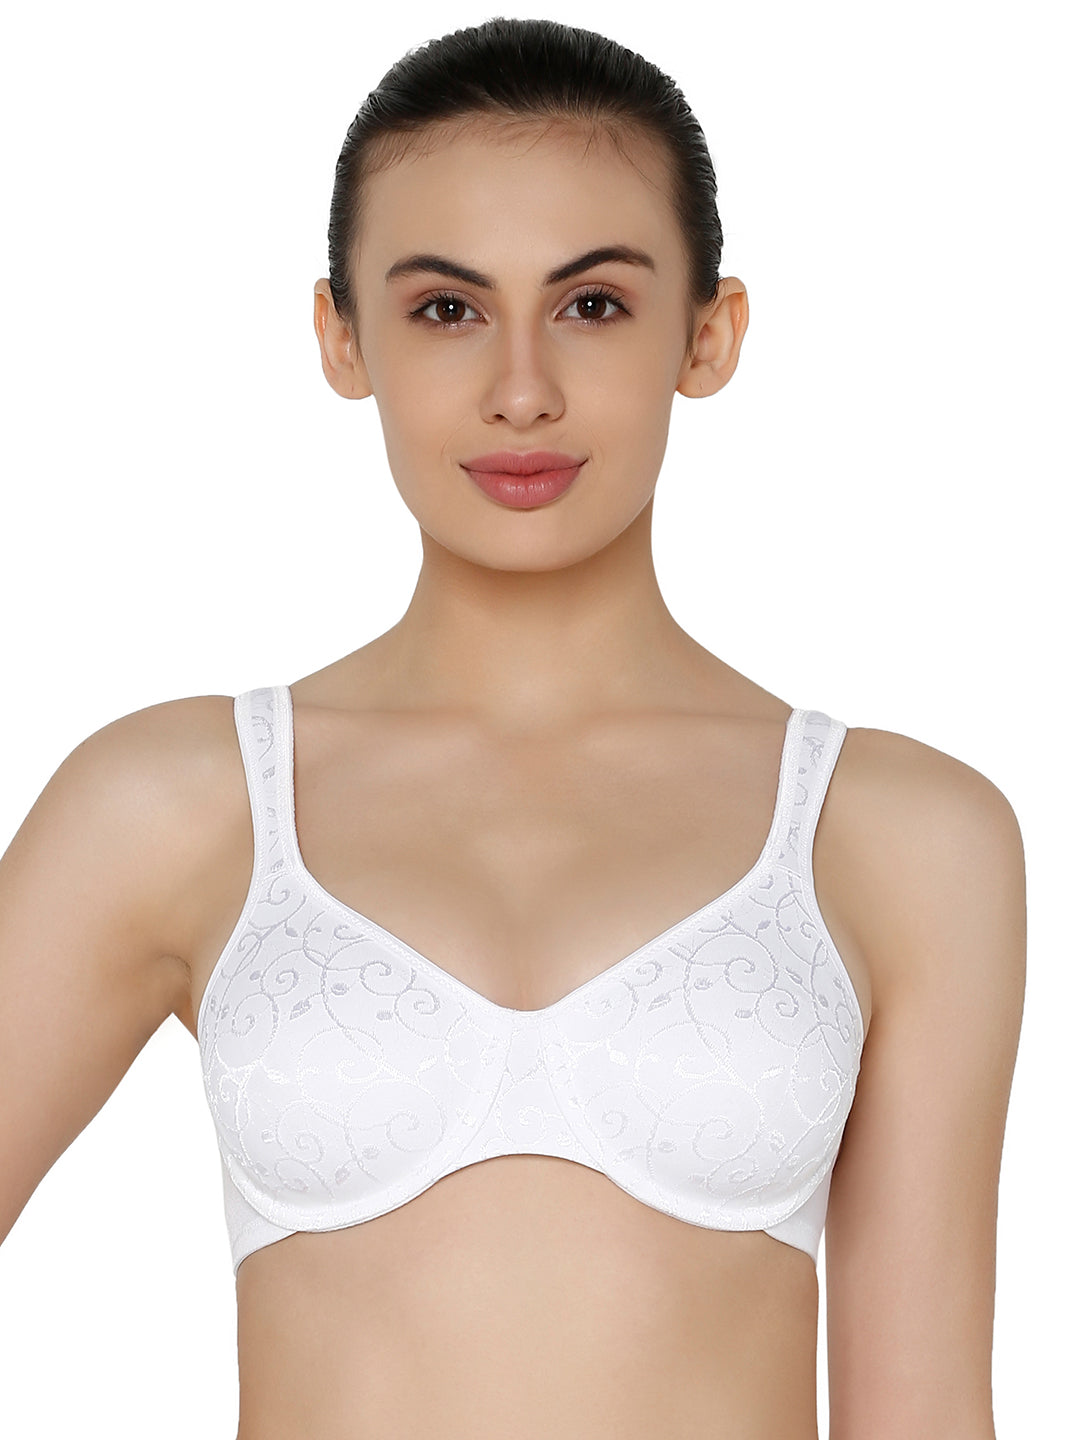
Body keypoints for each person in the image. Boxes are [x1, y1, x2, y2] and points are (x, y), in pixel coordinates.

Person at [0, 17, 1025, 1439]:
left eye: (593, 304)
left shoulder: (906, 836)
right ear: (341, 337)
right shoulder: (174, 805)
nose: (523, 389)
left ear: (710, 334)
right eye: (446, 308)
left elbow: (922, 1417)